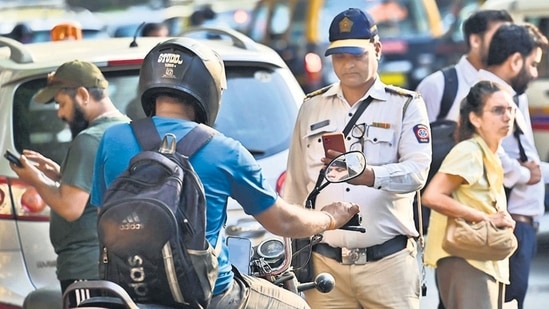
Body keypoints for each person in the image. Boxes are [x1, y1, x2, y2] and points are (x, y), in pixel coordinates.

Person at [89, 37, 360, 308]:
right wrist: (329, 218)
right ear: (208, 89)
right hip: (210, 294)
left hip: (126, 292)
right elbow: (283, 222)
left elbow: (103, 217)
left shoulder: (112, 139)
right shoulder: (224, 150)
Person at [283, 8, 431, 308]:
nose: (348, 64)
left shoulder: (405, 105)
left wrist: (371, 176)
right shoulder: (312, 107)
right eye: (339, 56)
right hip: (325, 268)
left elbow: (417, 172)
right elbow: (296, 187)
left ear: (377, 50)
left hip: (388, 264)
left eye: (356, 55)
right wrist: (289, 261)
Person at [7, 60, 130, 307]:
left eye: (62, 104)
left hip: (86, 270)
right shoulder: (126, 129)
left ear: (83, 95)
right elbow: (100, 187)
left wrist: (34, 180)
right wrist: (59, 174)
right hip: (116, 265)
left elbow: (70, 207)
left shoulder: (88, 139)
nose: (61, 114)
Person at [422, 80, 517, 309]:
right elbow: (432, 196)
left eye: (510, 110)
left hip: (483, 259)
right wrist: (486, 218)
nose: (507, 117)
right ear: (475, 118)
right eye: (497, 110)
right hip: (465, 261)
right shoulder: (469, 151)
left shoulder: (487, 153)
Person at [478, 23, 549, 309]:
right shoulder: (490, 97)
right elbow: (487, 154)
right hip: (510, 224)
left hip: (520, 222)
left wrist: (534, 171)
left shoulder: (504, 94)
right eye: (533, 65)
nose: (534, 74)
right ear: (515, 60)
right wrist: (524, 173)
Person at [416, 9, 513, 123]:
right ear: (475, 40)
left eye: (508, 38)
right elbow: (417, 138)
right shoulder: (436, 87)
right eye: (499, 38)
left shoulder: (511, 87)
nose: (506, 45)